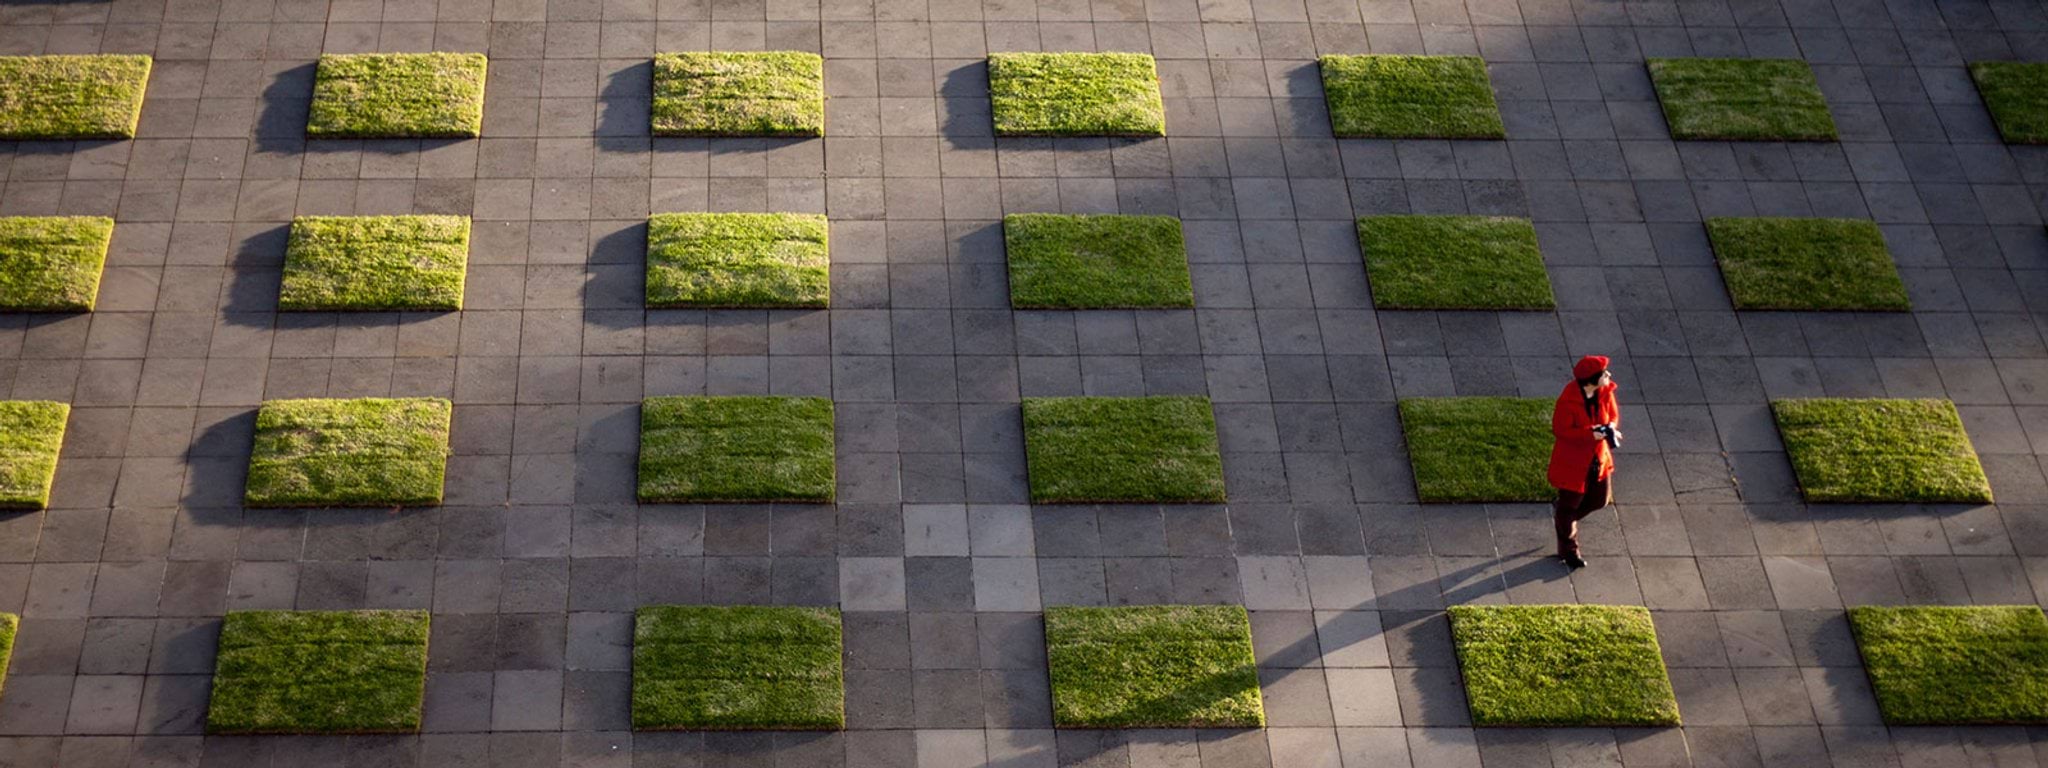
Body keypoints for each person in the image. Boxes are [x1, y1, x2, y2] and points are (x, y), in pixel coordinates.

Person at [1548, 355, 1620, 569]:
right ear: (1591, 379)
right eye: (1604, 373)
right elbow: (1561, 430)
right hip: (1574, 464)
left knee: (1599, 499)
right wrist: (1591, 434)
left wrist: (1610, 428)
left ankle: (1564, 519)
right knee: (1570, 504)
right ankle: (1569, 549)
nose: (1608, 375)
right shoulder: (1568, 401)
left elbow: (1613, 415)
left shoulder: (1606, 392)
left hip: (1598, 458)